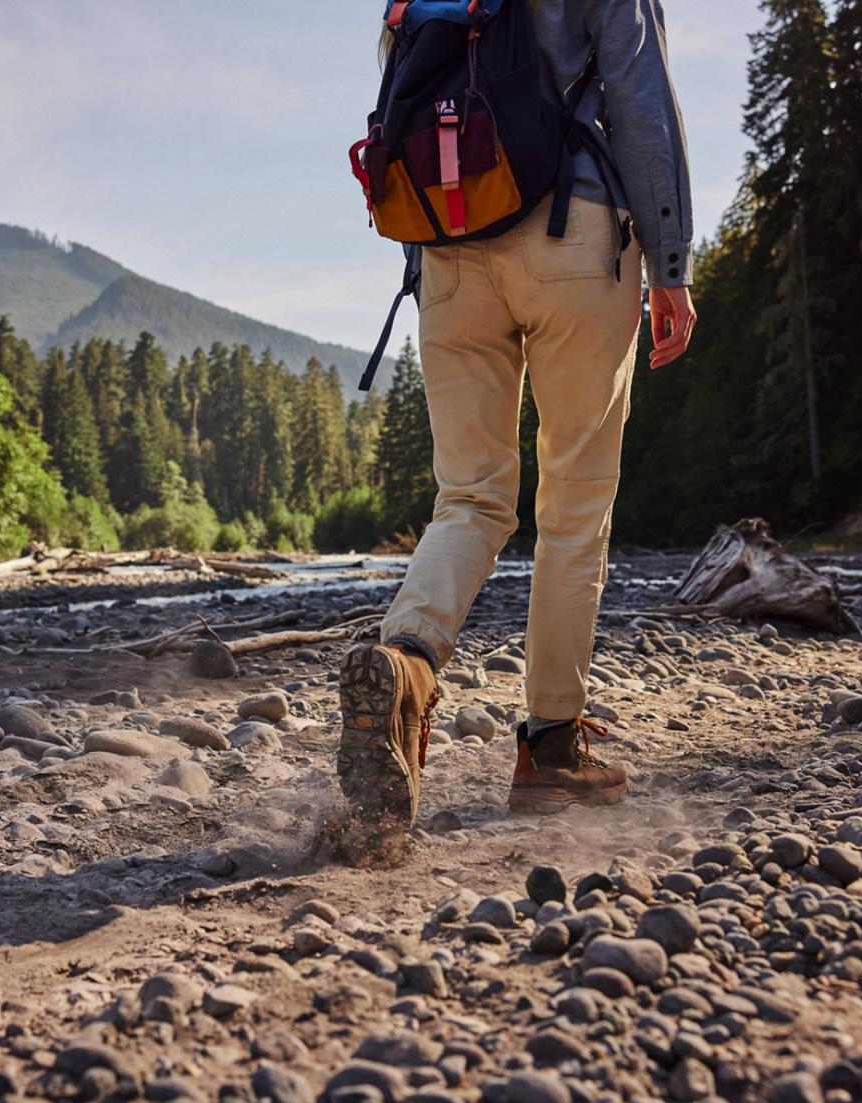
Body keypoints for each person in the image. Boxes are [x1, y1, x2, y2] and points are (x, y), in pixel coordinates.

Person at [337, 0, 696, 830]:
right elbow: (642, 98)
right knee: (573, 505)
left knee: (470, 498)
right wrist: (670, 263)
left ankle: (407, 663)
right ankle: (551, 748)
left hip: (447, 252)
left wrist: (431, 265)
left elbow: (406, 105)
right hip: (576, 236)